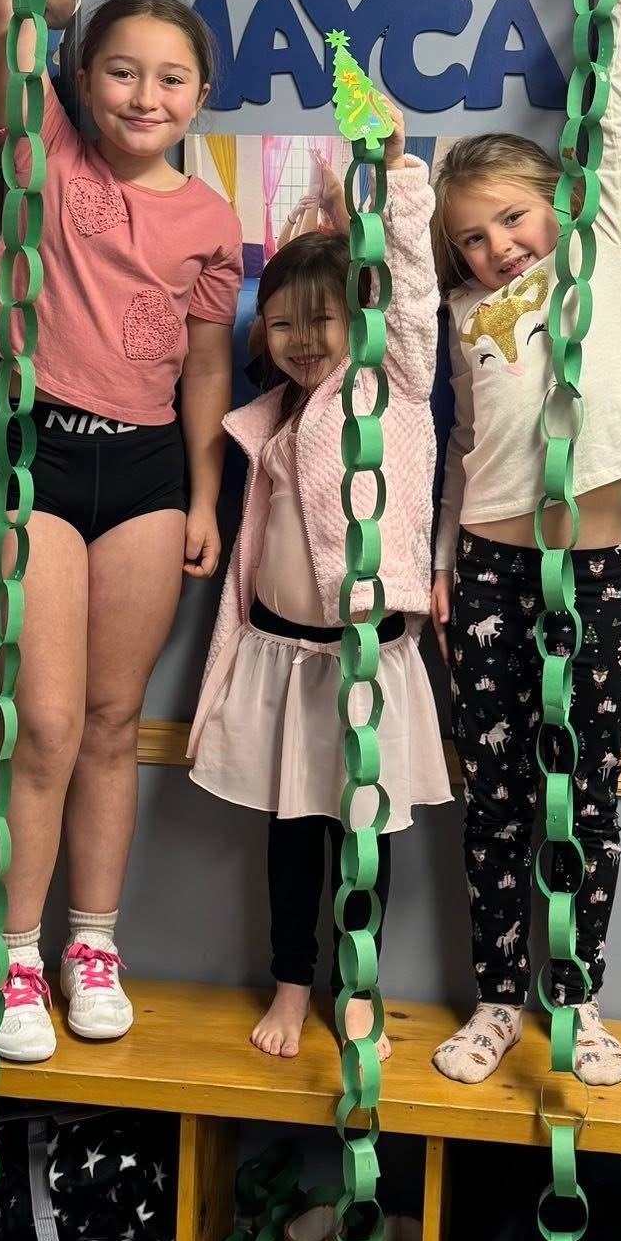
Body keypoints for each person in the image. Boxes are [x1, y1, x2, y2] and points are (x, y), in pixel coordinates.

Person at [0, 0, 243, 1062]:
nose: (142, 95)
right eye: (120, 72)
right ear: (85, 84)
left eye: (169, 78)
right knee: (46, 725)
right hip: (27, 454)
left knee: (116, 726)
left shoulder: (211, 216)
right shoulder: (45, 152)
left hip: (142, 476)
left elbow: (200, 366)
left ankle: (91, 942)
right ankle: (12, 961)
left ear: (200, 92)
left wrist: (196, 491)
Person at [428, 0, 621, 1089]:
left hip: (601, 567)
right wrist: (437, 564)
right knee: (498, 797)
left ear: (559, 205)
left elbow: (618, 121)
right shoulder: (466, 313)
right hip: (487, 568)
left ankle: (574, 1001)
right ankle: (497, 1000)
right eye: (471, 239)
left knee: (584, 797)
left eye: (510, 219)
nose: (495, 250)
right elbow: (460, 450)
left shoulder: (598, 251)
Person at [189, 107, 449, 1060]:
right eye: (285, 322)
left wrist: (392, 173)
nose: (302, 337)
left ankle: (361, 986)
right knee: (294, 837)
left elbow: (412, 290)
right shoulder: (270, 418)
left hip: (366, 659)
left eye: (323, 319)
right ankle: (292, 984)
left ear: (361, 321)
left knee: (365, 841)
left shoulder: (391, 390)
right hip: (282, 658)